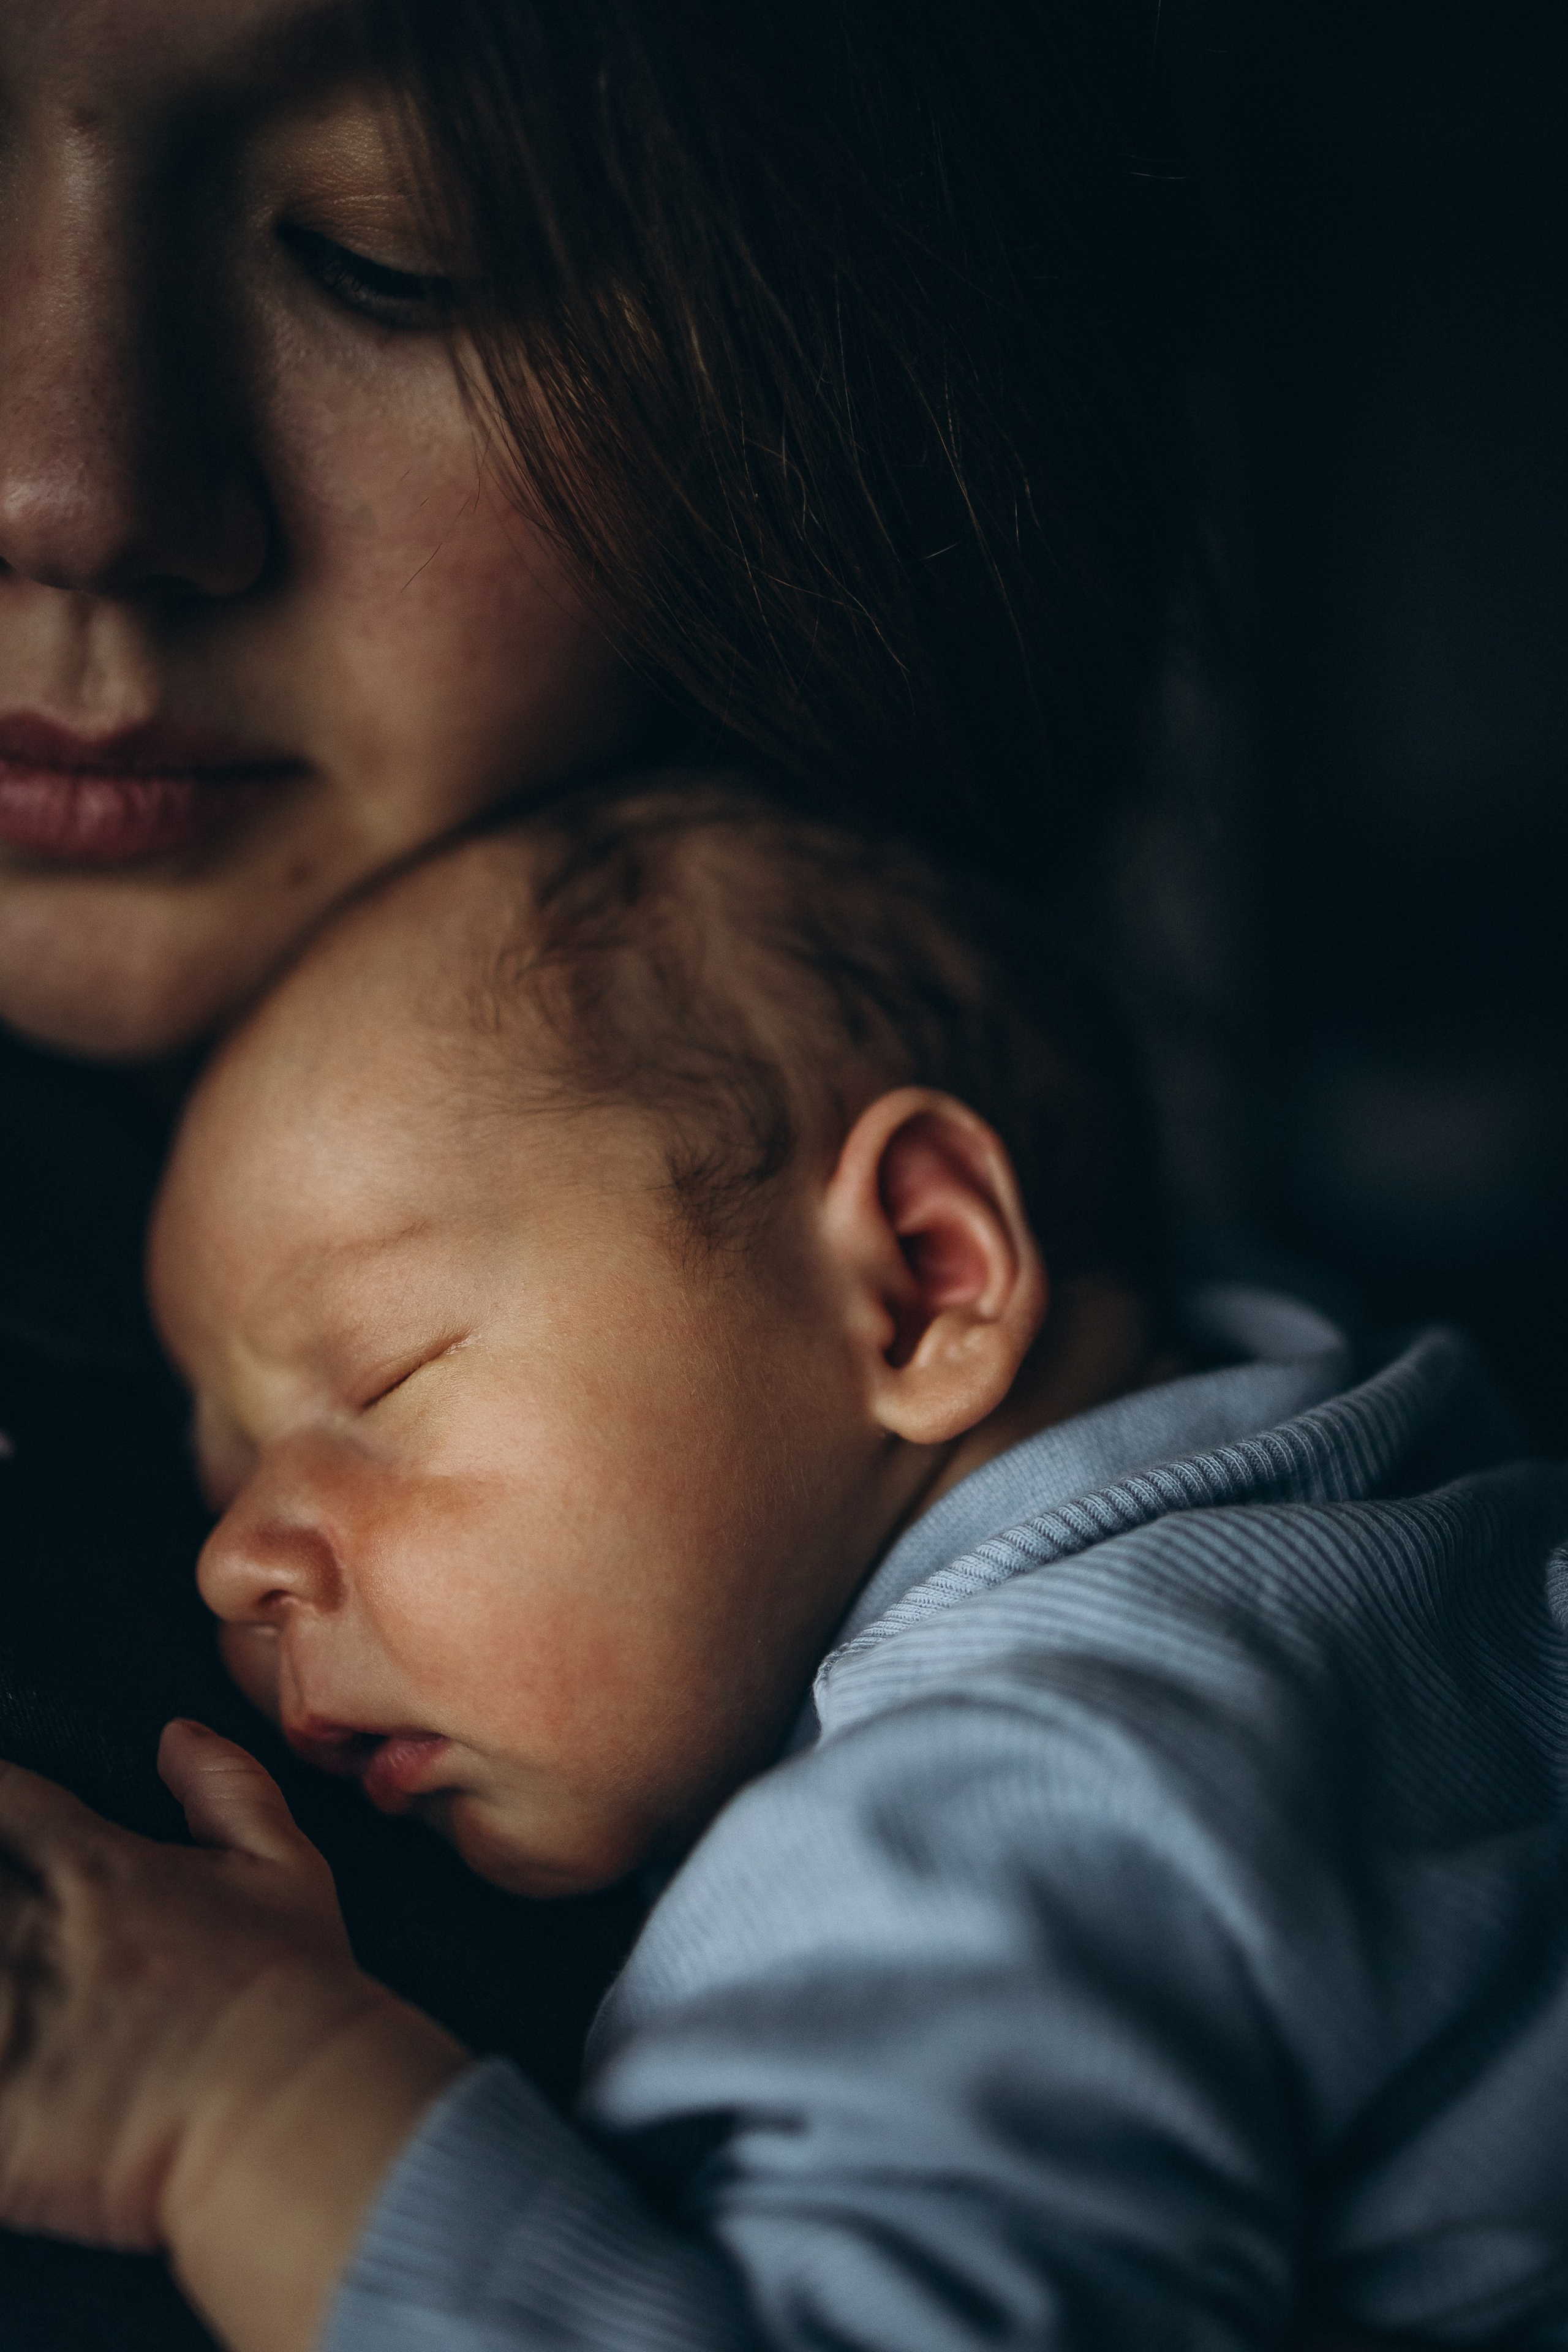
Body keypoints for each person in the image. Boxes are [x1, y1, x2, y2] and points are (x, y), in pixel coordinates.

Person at [0, 2, 1178, 2340]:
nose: (70, 483)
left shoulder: (1087, 1763)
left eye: (399, 245)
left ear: (932, 1270)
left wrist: (249, 2108)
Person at [1, 780, 1564, 2352]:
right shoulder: (1389, 1514)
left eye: (384, 1381)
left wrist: (253, 2100)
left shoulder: (1009, 1802)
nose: (228, 1565)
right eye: (224, 1478)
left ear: (919, 1281)